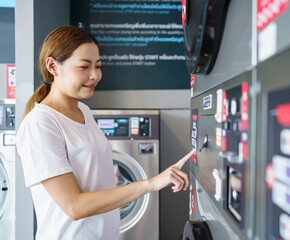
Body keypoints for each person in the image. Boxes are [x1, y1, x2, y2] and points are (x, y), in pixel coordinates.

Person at [16, 25, 195, 240]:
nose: (95, 75)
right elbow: (74, 206)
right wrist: (151, 183)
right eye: (84, 66)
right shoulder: (40, 124)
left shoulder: (84, 111)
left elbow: (94, 174)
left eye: (98, 66)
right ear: (53, 66)